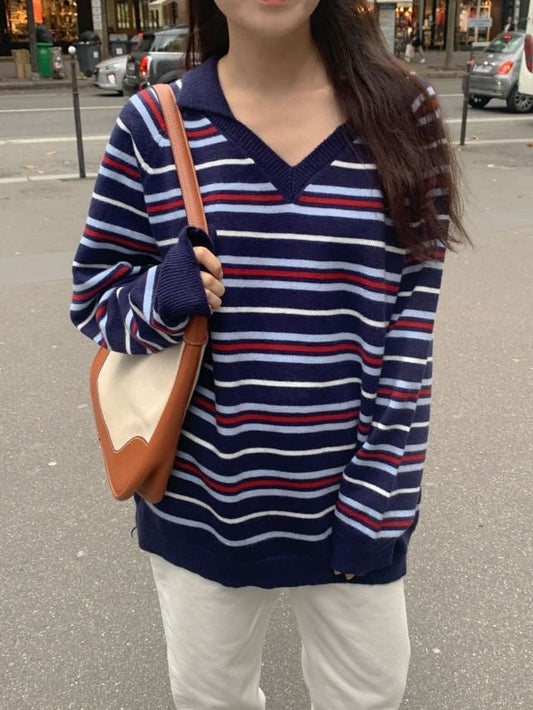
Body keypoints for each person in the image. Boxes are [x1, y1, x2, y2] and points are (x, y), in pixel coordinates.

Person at [70, 1, 467, 708]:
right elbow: (95, 303)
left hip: (358, 498)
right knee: (212, 700)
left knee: (367, 698)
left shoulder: (404, 113)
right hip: (200, 503)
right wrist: (166, 292)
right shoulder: (153, 125)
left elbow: (410, 329)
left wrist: (382, 492)